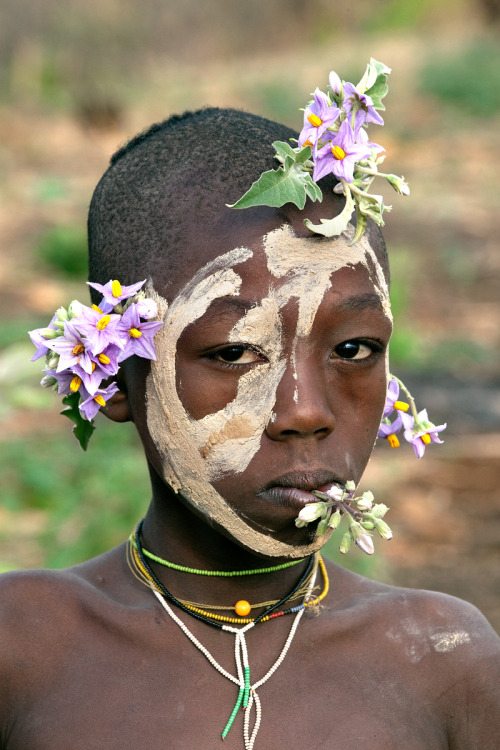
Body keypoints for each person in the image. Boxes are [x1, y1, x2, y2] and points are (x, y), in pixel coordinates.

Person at [1, 97, 499, 750]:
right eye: (235, 352)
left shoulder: (445, 661)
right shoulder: (23, 649)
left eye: (353, 349)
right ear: (112, 373)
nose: (306, 412)